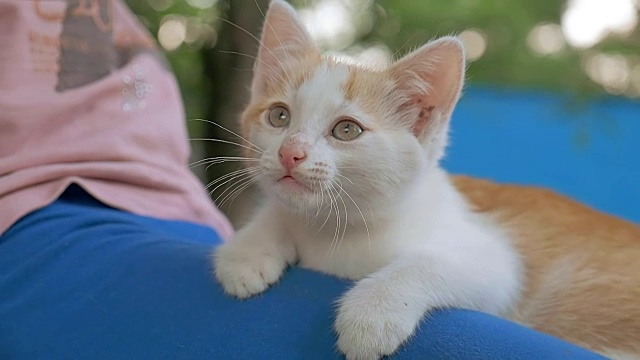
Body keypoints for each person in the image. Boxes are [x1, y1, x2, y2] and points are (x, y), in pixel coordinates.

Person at [0, 1, 605, 359]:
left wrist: (397, 291)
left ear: (422, 120)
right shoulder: (286, 213)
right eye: (280, 115)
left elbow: (491, 273)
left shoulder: (418, 220)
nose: (292, 150)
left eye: (344, 130)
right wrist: (268, 238)